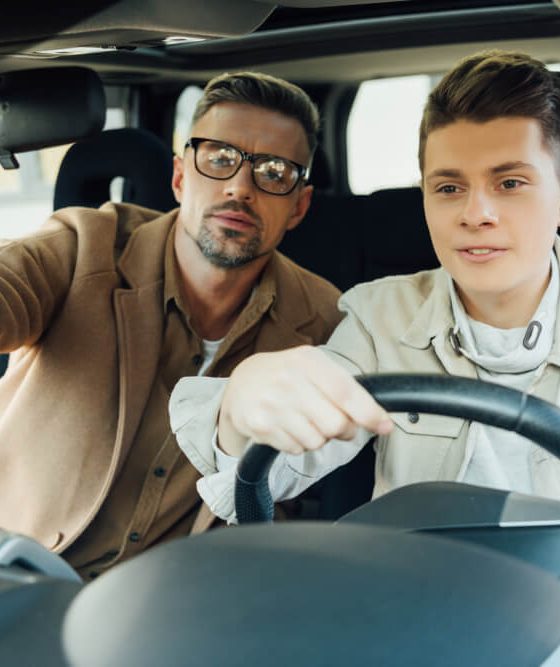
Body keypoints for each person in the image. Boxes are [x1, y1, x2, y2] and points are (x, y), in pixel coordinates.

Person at [170, 49, 560, 522]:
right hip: (415, 587)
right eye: (449, 188)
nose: (476, 214)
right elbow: (263, 476)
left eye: (511, 183)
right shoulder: (380, 317)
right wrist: (239, 409)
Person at [0, 72, 343, 579]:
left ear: (299, 206)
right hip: (23, 575)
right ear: (181, 177)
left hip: (182, 604)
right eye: (220, 158)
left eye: (273, 171)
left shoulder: (323, 317)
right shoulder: (81, 247)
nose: (240, 188)